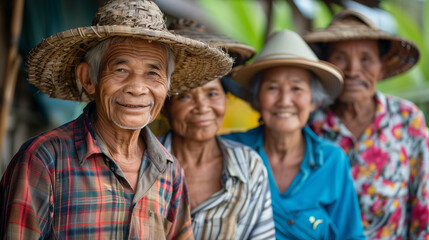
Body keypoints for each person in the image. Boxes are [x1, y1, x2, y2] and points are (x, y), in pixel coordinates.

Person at [0, 0, 233, 239]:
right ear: (88, 79)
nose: (138, 88)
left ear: (168, 86)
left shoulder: (169, 171)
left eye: (153, 73)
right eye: (121, 70)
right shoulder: (44, 159)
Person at [222, 29, 365, 240]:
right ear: (257, 99)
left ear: (314, 100)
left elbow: (350, 235)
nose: (284, 100)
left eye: (297, 89)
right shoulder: (231, 148)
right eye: (272, 88)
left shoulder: (332, 161)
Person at [304, 9, 429, 239]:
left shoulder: (407, 118)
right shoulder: (309, 121)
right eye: (340, 57)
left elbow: (423, 203)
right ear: (325, 65)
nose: (352, 70)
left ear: (382, 67)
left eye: (366, 59)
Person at [158, 19, 275, 239]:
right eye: (185, 96)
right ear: (164, 107)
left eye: (212, 94)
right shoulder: (142, 163)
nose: (202, 107)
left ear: (225, 99)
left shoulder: (249, 167)